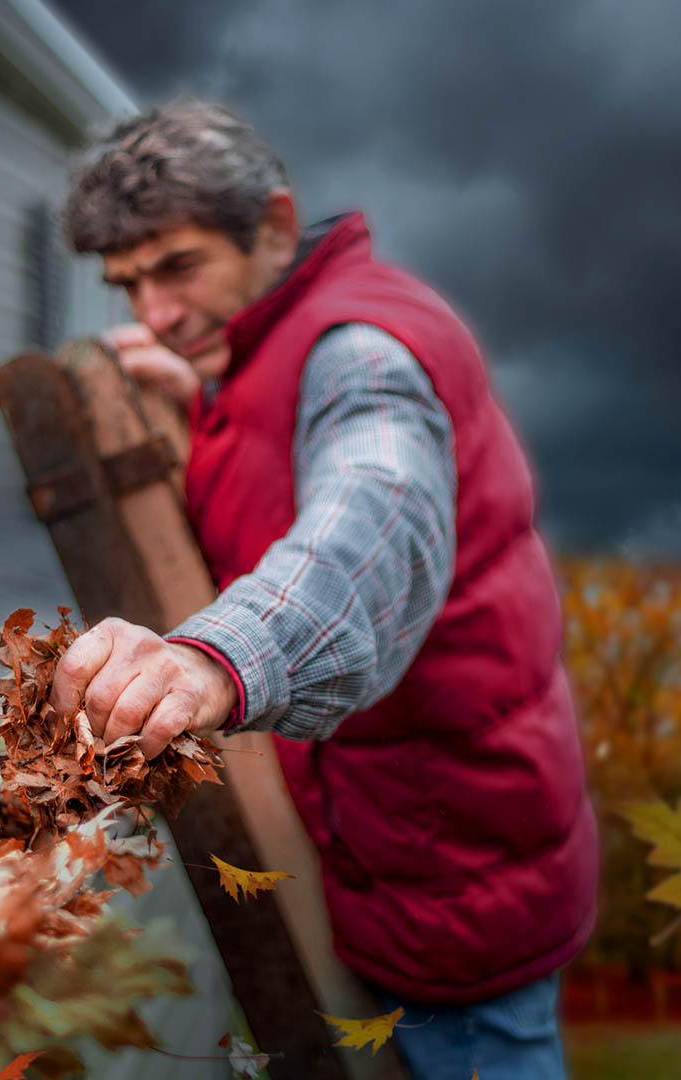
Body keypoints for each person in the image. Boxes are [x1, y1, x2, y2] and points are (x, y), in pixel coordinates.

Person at [52, 99, 597, 1080]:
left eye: (178, 268)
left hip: (453, 875)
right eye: (129, 286)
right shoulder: (269, 346)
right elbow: (286, 482)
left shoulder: (359, 355)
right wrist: (211, 411)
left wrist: (213, 658)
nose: (156, 316)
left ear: (269, 224)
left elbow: (370, 527)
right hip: (407, 844)